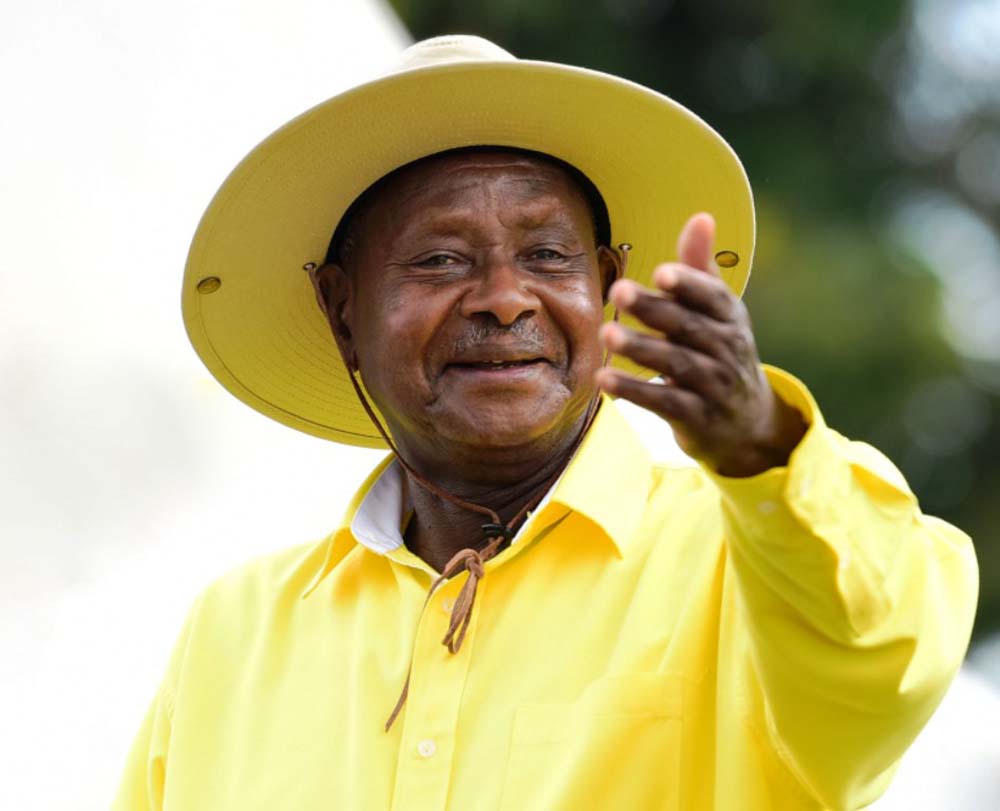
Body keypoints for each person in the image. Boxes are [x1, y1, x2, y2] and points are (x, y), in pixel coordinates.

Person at [113, 35, 978, 811]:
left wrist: (761, 444)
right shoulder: (233, 634)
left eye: (548, 255)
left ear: (607, 286)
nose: (504, 299)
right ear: (342, 312)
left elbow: (885, 646)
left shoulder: (745, 561)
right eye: (440, 258)